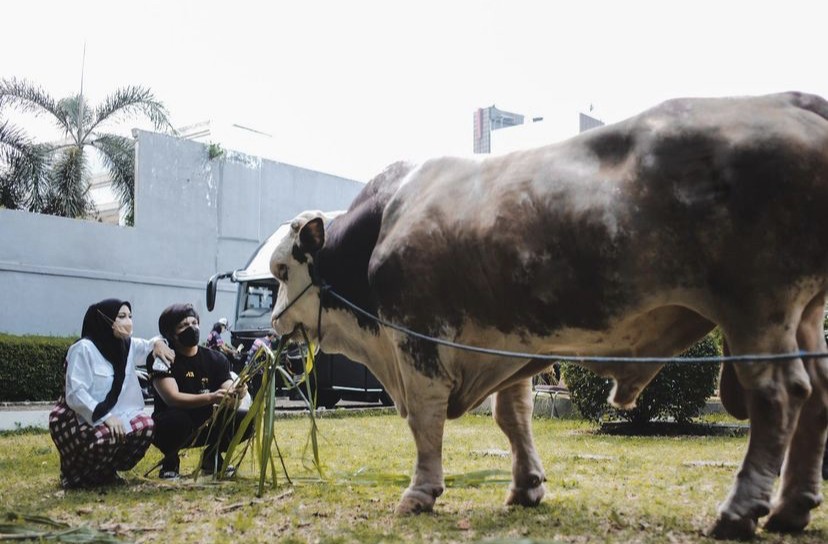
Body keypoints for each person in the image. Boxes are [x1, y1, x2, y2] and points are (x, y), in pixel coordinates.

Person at [49, 298, 174, 489]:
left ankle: (107, 471)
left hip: (114, 415)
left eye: (130, 316)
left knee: (145, 426)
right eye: (121, 316)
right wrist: (104, 416)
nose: (128, 322)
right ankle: (77, 476)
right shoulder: (83, 349)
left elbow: (150, 344)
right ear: (105, 320)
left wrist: (158, 343)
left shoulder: (126, 345)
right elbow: (75, 393)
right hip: (77, 417)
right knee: (107, 435)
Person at [149, 304, 252, 479]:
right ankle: (170, 462)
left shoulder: (216, 358)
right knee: (175, 419)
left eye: (194, 323)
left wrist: (238, 393)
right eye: (183, 326)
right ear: (171, 333)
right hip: (173, 425)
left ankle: (212, 458)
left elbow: (228, 394)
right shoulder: (163, 359)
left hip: (207, 422)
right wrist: (211, 397)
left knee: (247, 419)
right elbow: (172, 398)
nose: (192, 328)